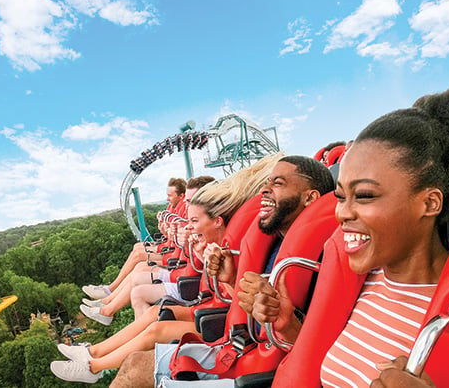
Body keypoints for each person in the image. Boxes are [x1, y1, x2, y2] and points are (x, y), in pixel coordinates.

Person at [249, 65, 449, 387]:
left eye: (365, 195)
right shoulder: (360, 281)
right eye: (341, 196)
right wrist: (287, 324)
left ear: (429, 203)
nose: (342, 213)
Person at [50, 155, 280, 384]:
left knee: (148, 312)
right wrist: (191, 248)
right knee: (149, 305)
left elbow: (223, 291)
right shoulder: (223, 239)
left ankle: (97, 356)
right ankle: (96, 350)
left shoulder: (241, 243)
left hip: (222, 322)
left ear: (217, 219)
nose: (186, 217)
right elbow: (214, 283)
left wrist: (194, 252)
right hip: (214, 308)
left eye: (191, 210)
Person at [109, 155, 336, 388]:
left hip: (268, 372)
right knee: (133, 362)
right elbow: (243, 305)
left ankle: (93, 361)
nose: (265, 190)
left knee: (136, 374)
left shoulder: (319, 260)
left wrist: (284, 320)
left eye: (277, 183)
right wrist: (229, 279)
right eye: (266, 182)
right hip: (241, 346)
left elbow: (318, 347)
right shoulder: (271, 243)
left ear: (311, 197)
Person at [79, 177, 212, 325]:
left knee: (138, 268)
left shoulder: (199, 219)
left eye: (170, 195)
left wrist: (179, 240)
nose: (168, 198)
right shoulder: (185, 215)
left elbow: (189, 259)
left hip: (183, 274)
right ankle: (107, 298)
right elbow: (186, 252)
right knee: (138, 261)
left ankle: (108, 300)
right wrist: (169, 233)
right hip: (180, 267)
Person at [82, 177, 188, 302]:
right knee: (137, 247)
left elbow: (181, 245)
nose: (167, 199)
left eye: (170, 195)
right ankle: (109, 292)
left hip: (173, 256)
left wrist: (170, 233)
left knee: (138, 257)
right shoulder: (175, 208)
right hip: (172, 251)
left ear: (181, 196)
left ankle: (109, 292)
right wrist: (165, 229)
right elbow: (172, 239)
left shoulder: (186, 211)